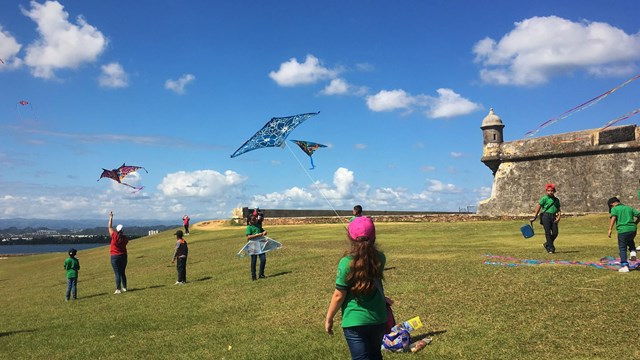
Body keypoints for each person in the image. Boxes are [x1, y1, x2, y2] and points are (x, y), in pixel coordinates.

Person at [325, 216, 387, 360]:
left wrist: (329, 318)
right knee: (375, 356)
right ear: (374, 236)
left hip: (354, 320)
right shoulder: (381, 258)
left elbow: (339, 295)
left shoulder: (346, 262)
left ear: (350, 238)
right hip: (378, 318)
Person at [607, 197, 640, 273]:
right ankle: (633, 252)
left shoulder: (614, 209)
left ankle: (624, 266)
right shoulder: (629, 208)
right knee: (630, 240)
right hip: (633, 230)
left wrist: (610, 229)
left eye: (611, 207)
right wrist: (635, 223)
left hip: (623, 230)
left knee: (622, 247)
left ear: (612, 204)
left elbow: (613, 218)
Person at [531, 183, 561, 254]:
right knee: (547, 232)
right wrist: (535, 216)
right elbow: (539, 207)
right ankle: (551, 248)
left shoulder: (556, 200)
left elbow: (558, 209)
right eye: (548, 191)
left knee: (555, 233)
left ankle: (547, 243)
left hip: (553, 216)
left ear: (554, 191)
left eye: (551, 191)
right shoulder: (544, 198)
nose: (550, 192)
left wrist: (559, 217)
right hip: (546, 216)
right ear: (546, 191)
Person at [108, 211, 129, 294]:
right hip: (123, 256)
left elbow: (109, 227)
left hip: (114, 256)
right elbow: (126, 242)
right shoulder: (125, 238)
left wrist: (111, 217)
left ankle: (118, 289)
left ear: (117, 230)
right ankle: (125, 287)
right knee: (122, 272)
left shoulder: (114, 236)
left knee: (117, 273)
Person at [246, 214, 267, 281]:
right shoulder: (249, 227)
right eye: (253, 219)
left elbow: (262, 231)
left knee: (263, 259)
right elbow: (248, 237)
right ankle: (253, 276)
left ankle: (261, 274)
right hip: (253, 246)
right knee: (254, 261)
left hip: (260, 245)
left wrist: (264, 232)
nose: (255, 220)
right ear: (250, 221)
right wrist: (257, 235)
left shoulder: (258, 226)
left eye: (255, 219)